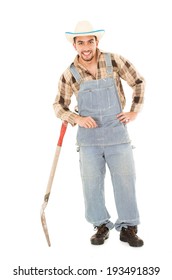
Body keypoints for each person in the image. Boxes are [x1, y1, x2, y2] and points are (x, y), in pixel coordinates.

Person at [53, 21, 145, 247]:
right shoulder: (69, 74)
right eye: (81, 42)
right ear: (75, 45)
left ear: (97, 42)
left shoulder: (113, 60)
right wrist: (77, 118)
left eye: (90, 42)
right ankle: (101, 225)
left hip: (116, 134)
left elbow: (139, 81)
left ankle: (128, 227)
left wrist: (134, 111)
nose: (86, 47)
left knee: (125, 180)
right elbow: (58, 105)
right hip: (89, 139)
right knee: (91, 183)